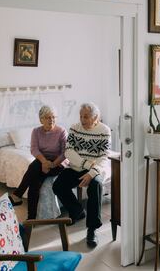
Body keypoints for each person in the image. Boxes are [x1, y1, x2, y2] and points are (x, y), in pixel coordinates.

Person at [53, 102, 111, 247]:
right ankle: (77, 211)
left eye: (86, 117)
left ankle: (92, 229)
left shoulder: (104, 130)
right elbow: (68, 151)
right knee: (58, 185)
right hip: (77, 167)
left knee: (96, 185)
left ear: (95, 117)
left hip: (96, 169)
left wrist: (91, 173)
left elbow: (103, 157)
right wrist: (85, 164)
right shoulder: (74, 128)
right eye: (81, 116)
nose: (82, 120)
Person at [9, 105, 67, 220]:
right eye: (47, 117)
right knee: (34, 182)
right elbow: (34, 149)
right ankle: (31, 218)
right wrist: (44, 162)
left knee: (34, 167)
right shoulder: (36, 132)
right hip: (42, 162)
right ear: (41, 119)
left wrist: (53, 164)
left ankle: (18, 195)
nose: (51, 120)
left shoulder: (61, 131)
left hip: (58, 163)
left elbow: (65, 153)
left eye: (53, 117)